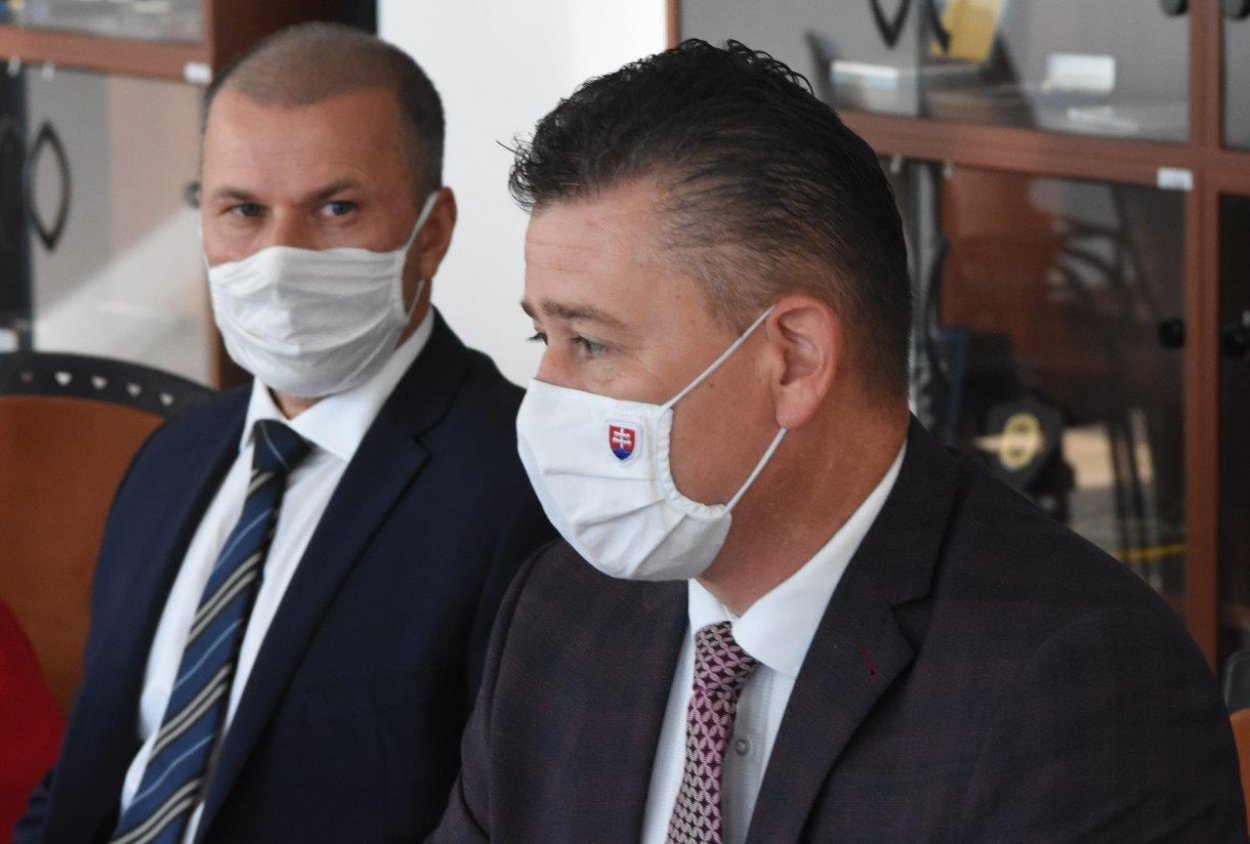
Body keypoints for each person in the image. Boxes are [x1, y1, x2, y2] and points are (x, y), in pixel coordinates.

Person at [431, 39, 1246, 843]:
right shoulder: (562, 611)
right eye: (543, 338)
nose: (546, 396)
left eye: (591, 343)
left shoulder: (1077, 690)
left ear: (794, 360)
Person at [17, 22, 552, 844]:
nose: (278, 256)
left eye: (336, 209)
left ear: (433, 232)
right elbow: (94, 772)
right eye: (243, 210)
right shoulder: (171, 457)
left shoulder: (522, 484)